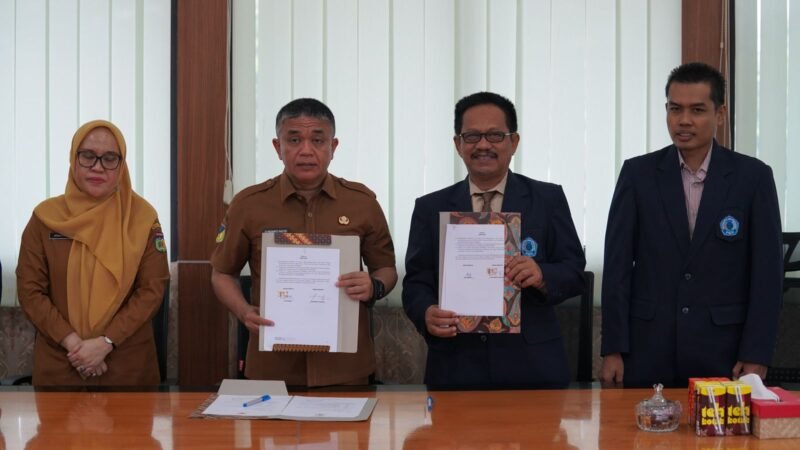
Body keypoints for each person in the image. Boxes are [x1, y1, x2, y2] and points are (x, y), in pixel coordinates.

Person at [600, 62, 783, 388]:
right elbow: (617, 269)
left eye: (697, 110)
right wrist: (613, 348)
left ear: (720, 113)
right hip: (647, 348)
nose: (684, 120)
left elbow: (766, 275)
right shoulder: (638, 175)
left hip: (724, 349)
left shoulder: (752, 177)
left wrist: (757, 352)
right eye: (675, 109)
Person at [402, 92, 586, 388]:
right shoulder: (430, 207)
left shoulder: (547, 199)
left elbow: (575, 271)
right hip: (455, 364)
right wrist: (426, 313)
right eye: (472, 136)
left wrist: (542, 274)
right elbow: (416, 282)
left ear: (513, 142)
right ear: (457, 144)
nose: (483, 145)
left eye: (495, 135)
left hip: (532, 366)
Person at [211, 98, 397, 387]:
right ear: (278, 147)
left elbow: (386, 268)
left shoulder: (362, 203)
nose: (306, 150)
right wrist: (244, 311)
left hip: (345, 368)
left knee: (349, 435)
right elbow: (222, 272)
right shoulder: (248, 205)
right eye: (294, 139)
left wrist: (374, 285)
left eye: (318, 140)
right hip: (272, 368)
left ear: (333, 147)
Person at [17, 120, 169, 386]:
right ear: (73, 158)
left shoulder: (143, 218)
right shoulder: (45, 218)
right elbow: (30, 291)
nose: (98, 166)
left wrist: (106, 342)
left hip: (127, 370)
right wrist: (74, 344)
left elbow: (152, 289)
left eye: (110, 158)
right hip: (61, 367)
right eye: (88, 156)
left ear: (122, 165)